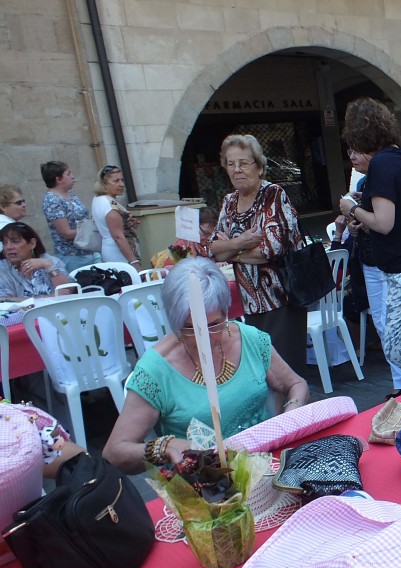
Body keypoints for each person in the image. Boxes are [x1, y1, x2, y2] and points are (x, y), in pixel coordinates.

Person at [103, 258, 308, 474]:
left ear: (226, 313)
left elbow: (296, 384)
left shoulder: (249, 339)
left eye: (214, 324)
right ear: (174, 321)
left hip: (269, 464)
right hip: (208, 484)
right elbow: (114, 453)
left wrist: (289, 416)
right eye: (190, 328)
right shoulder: (156, 371)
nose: (205, 337)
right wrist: (164, 447)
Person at [339, 97, 401, 388]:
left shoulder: (381, 164)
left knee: (397, 346)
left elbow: (384, 223)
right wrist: (366, 203)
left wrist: (351, 209)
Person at [209, 134, 306, 374]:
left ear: (259, 167)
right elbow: (213, 249)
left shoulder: (272, 195)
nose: (237, 170)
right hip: (251, 302)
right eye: (230, 164)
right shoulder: (229, 201)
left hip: (281, 297)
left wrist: (230, 248)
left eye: (244, 163)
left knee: (287, 371)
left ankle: (298, 411)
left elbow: (270, 249)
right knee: (266, 371)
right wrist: (242, 241)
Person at [338, 147, 401, 400]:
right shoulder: (364, 181)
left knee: (399, 324)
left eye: (356, 150)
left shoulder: (387, 174)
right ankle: (399, 382)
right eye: (349, 151)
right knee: (382, 323)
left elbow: (385, 223)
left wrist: (352, 209)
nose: (352, 156)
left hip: (391, 261)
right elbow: (371, 222)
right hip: (370, 259)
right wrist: (355, 226)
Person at [40, 160, 100, 272]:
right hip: (73, 256)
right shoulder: (52, 200)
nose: (73, 177)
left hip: (90, 250)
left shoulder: (70, 194)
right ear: (58, 179)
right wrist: (93, 230)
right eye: (68, 174)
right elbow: (66, 233)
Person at [0, 222, 72, 302]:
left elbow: (68, 292)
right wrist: (47, 298)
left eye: (15, 241)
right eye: (4, 243)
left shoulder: (49, 261)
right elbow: (4, 300)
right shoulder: (3, 269)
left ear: (32, 243)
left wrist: (49, 267)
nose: (8, 247)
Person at [91, 165, 141, 268]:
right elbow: (118, 237)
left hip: (110, 248)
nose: (121, 184)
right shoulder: (109, 205)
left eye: (122, 180)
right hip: (119, 252)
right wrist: (134, 262)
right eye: (116, 181)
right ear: (104, 184)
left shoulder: (98, 199)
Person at [0, 184, 28, 252]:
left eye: (23, 201)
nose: (24, 205)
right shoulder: (5, 226)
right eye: (19, 203)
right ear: (3, 207)